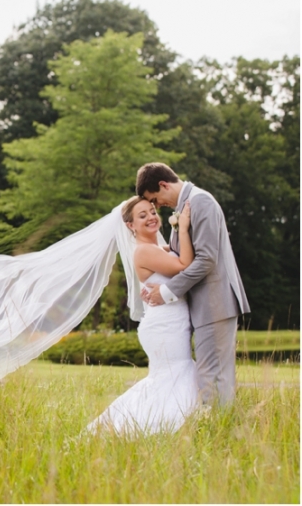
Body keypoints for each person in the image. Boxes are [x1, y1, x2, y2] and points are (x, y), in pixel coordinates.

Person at [135, 162, 250, 407]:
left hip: (214, 302)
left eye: (154, 200)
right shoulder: (187, 207)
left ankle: (218, 432)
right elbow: (177, 256)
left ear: (163, 185)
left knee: (212, 374)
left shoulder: (201, 202)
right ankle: (218, 428)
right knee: (210, 373)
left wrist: (166, 292)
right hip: (203, 304)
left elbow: (207, 259)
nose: (157, 207)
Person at [86, 197, 199, 435]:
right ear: (130, 225)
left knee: (172, 376)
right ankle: (148, 427)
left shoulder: (157, 248)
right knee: (175, 373)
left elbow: (176, 256)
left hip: (170, 324)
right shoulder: (144, 251)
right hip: (164, 328)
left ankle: (157, 425)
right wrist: (184, 228)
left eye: (152, 211)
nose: (151, 217)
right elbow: (184, 265)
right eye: (142, 215)